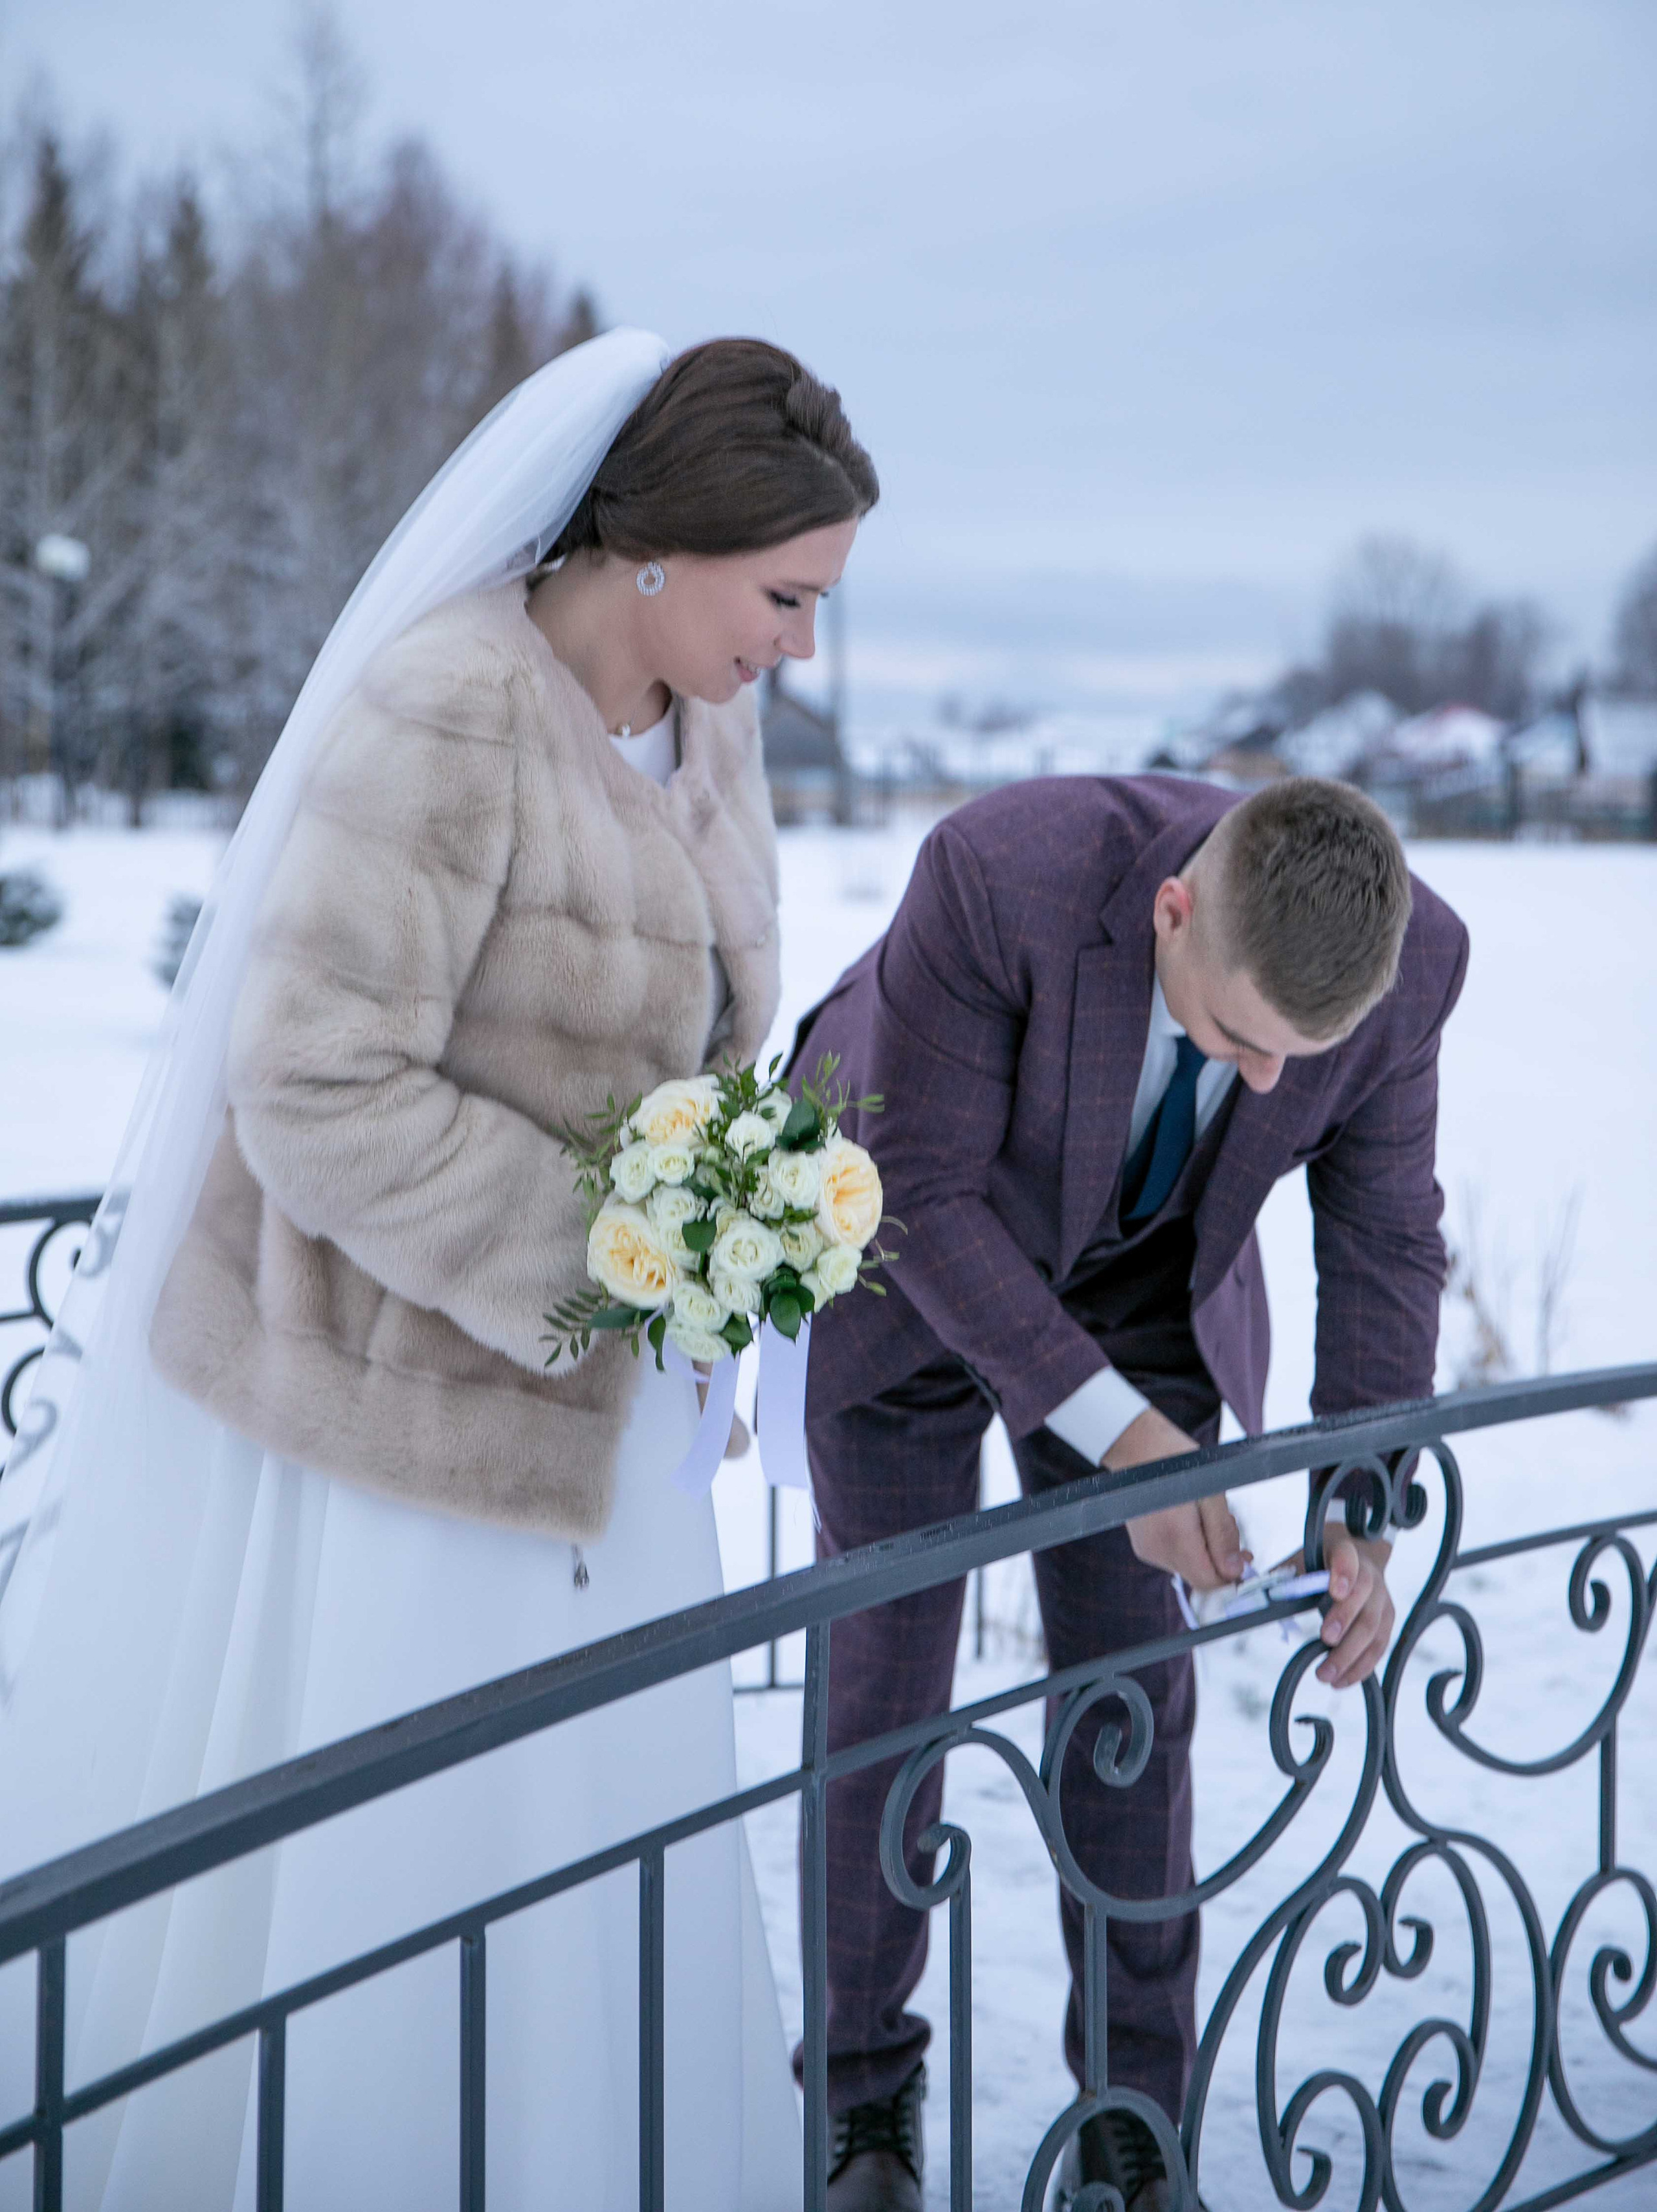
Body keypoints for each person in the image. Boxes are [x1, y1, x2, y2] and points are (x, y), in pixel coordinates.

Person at [0, 331, 877, 2211]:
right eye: (785, 596)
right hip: (407, 1431)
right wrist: (610, 1255)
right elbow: (311, 1080)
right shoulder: (452, 708)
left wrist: (729, 1237)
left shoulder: (713, 726)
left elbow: (706, 1045)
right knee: (420, 1871)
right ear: (665, 545)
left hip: (616, 1435)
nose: (802, 647)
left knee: (601, 1848)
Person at [789, 773, 1469, 2211]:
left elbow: (1385, 1235)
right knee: (883, 1685)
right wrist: (1126, 1444)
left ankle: (1131, 2113)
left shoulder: (1408, 963)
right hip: (903, 1255)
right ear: (1171, 911)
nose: (1267, 1081)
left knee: (1131, 1699)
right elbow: (918, 1186)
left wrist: (1356, 1501)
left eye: (1297, 1056)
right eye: (1238, 1039)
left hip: (1143, 1287)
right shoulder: (996, 876)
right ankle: (861, 2105)